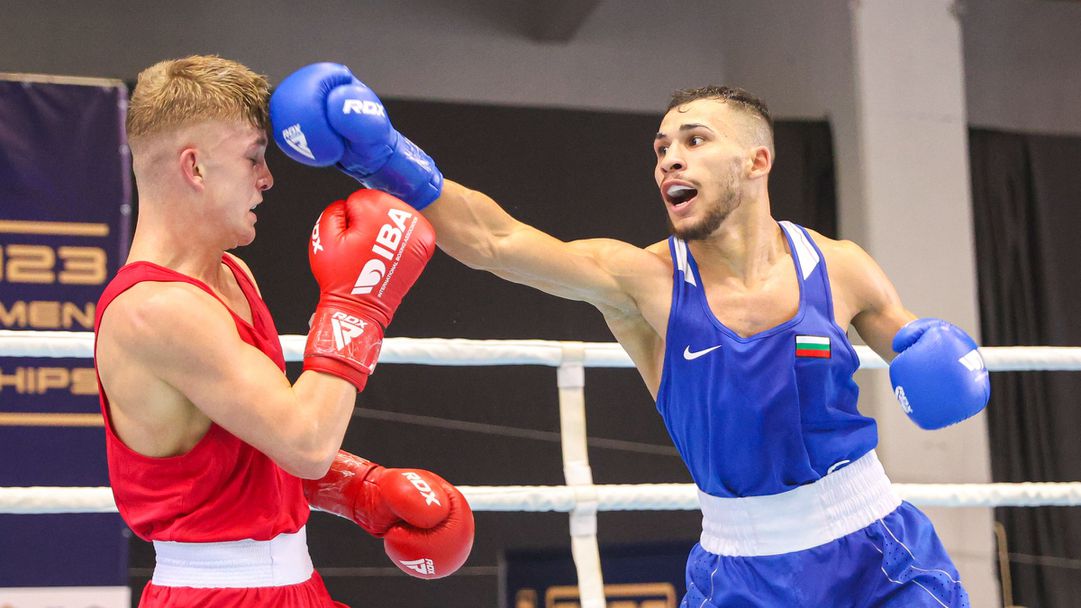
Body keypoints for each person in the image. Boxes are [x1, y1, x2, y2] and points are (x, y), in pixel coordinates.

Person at [268, 63, 990, 606]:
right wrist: (382, 156)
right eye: (661, 147)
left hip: (876, 553)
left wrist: (943, 361)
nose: (669, 158)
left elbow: (917, 349)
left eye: (694, 140)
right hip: (743, 570)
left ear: (756, 160)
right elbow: (495, 240)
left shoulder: (839, 266)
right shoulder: (643, 283)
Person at [92, 56, 473, 607]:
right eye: (253, 157)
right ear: (195, 167)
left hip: (295, 585)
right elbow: (306, 443)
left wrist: (360, 489)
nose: (267, 178)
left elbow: (263, 443)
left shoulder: (233, 275)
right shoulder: (155, 308)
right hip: (214, 597)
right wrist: (358, 304)